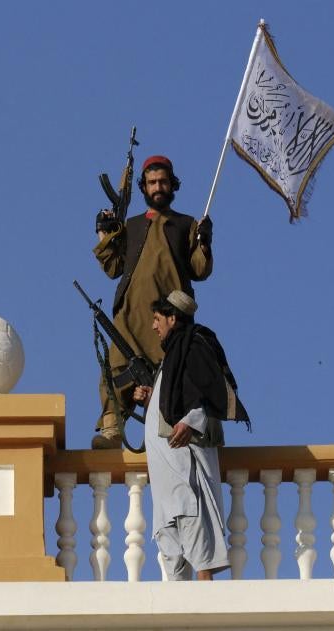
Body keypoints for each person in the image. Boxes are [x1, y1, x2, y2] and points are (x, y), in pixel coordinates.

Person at [91, 155, 214, 449]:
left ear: (172, 185)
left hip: (168, 319)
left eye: (162, 182)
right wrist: (104, 233)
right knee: (117, 368)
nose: (157, 187)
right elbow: (112, 267)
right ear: (143, 188)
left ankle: (171, 434)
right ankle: (112, 432)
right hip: (130, 315)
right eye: (152, 182)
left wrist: (205, 241)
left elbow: (200, 270)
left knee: (169, 377)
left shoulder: (185, 224)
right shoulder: (131, 225)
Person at [132, 291, 249, 581]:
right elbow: (173, 402)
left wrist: (190, 423)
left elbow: (207, 393)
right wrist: (148, 399)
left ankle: (204, 602)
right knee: (169, 537)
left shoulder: (195, 347)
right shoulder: (171, 359)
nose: (153, 326)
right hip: (164, 473)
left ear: (173, 318)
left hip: (185, 467)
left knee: (194, 528)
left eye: (158, 319)